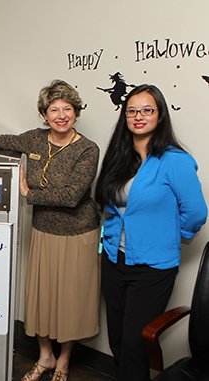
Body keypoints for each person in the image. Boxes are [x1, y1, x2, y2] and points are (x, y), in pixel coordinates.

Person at [0, 80, 100, 381]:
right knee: (41, 298)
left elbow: (71, 196)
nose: (61, 115)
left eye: (68, 109)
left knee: (70, 300)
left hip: (78, 234)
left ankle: (64, 359)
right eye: (54, 109)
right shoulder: (37, 140)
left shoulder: (88, 149)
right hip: (43, 230)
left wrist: (28, 193)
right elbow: (10, 140)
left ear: (76, 113)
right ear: (44, 114)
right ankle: (45, 357)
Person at [95, 84, 207, 381]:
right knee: (118, 339)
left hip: (152, 267)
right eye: (132, 111)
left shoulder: (175, 161)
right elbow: (109, 205)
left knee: (134, 344)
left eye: (147, 110)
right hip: (114, 260)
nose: (139, 116)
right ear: (125, 117)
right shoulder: (119, 156)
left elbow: (196, 212)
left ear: (160, 115)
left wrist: (171, 235)